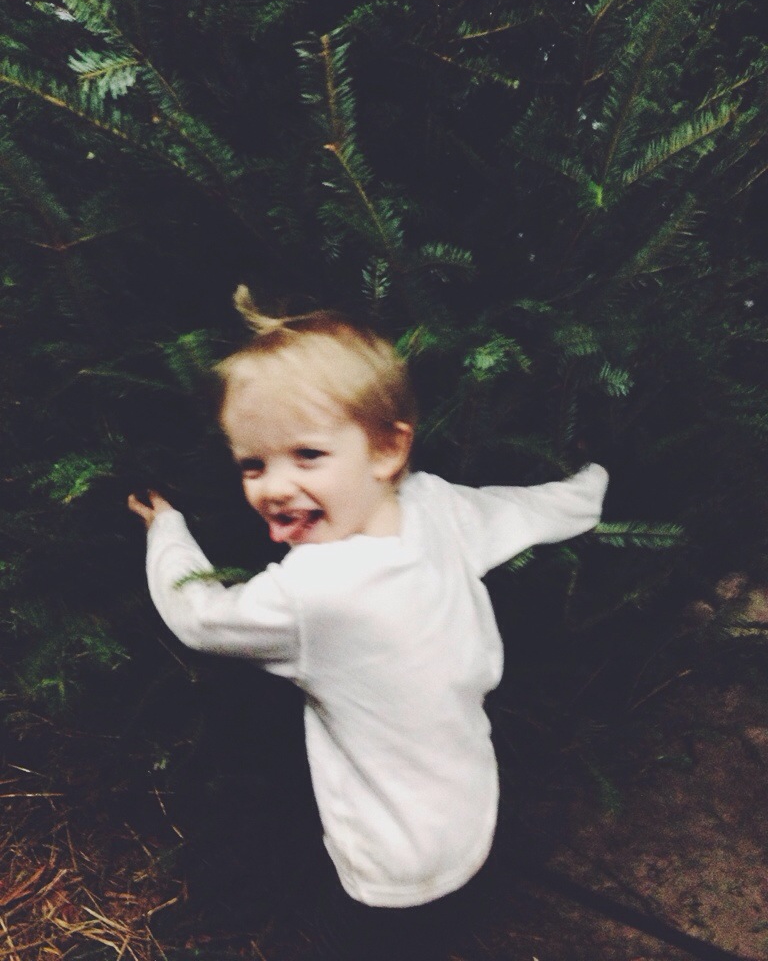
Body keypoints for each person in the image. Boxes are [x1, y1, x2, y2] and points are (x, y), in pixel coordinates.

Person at [128, 287, 609, 959]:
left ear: (386, 450)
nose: (273, 486)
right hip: (469, 814)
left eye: (308, 455)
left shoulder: (314, 590)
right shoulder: (434, 506)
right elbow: (523, 511)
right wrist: (594, 483)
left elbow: (200, 616)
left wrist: (167, 530)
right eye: (253, 464)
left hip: (387, 863)